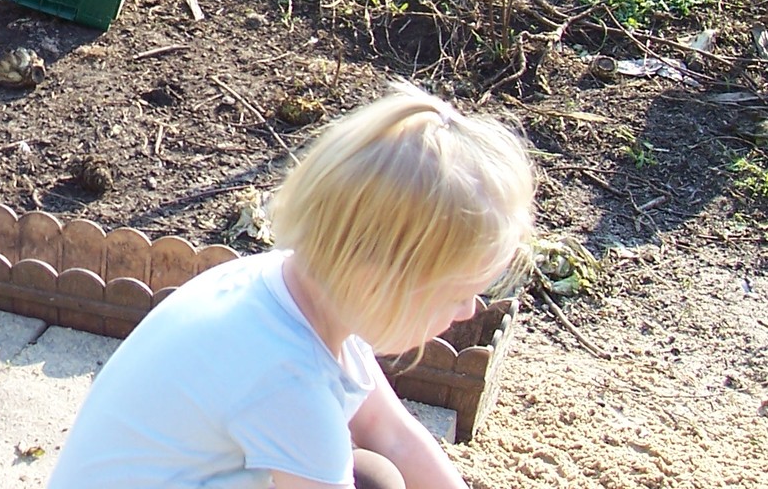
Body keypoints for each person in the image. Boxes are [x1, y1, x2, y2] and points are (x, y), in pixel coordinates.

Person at [46, 82, 536, 489]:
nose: (470, 310)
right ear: (377, 280)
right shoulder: (290, 382)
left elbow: (393, 435)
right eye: (456, 293)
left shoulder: (299, 291)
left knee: (375, 474)